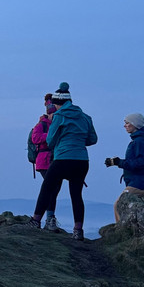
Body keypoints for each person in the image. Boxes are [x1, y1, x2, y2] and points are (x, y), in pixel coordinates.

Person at [30, 82, 97, 240]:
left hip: (62, 158)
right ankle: (78, 230)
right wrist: (78, 142)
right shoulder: (85, 117)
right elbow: (93, 139)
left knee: (47, 188)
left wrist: (63, 141)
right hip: (81, 160)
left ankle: (35, 221)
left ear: (57, 103)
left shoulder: (59, 117)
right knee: (76, 195)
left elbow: (51, 140)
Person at [106, 113, 144, 222]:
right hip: (141, 182)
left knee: (118, 204)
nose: (125, 125)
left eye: (127, 123)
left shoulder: (140, 141)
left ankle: (120, 231)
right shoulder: (139, 140)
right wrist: (117, 162)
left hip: (138, 183)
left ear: (134, 124)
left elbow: (140, 162)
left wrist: (119, 162)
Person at [30, 93, 60, 230]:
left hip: (55, 160)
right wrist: (51, 135)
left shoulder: (57, 123)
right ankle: (48, 219)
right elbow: (35, 139)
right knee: (51, 189)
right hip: (43, 161)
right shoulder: (41, 124)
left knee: (53, 189)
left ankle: (47, 219)